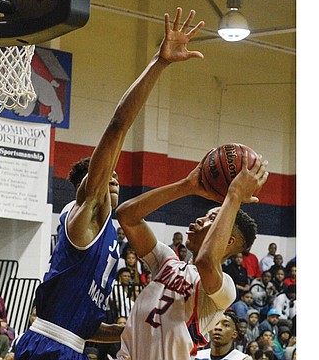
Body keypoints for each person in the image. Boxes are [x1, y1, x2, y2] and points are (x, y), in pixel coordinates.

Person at [14, 6, 196, 360]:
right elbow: (117, 126)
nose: (111, 178)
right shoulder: (86, 214)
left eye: (114, 177)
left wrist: (132, 328)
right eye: (102, 177)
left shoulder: (110, 233)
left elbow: (81, 325)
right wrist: (159, 63)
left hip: (68, 346)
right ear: (85, 189)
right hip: (48, 347)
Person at [115, 82, 269, 360]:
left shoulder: (224, 290)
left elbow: (207, 261)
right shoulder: (167, 261)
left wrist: (233, 196)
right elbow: (127, 216)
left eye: (212, 218)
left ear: (229, 241)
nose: (199, 219)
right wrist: (185, 185)